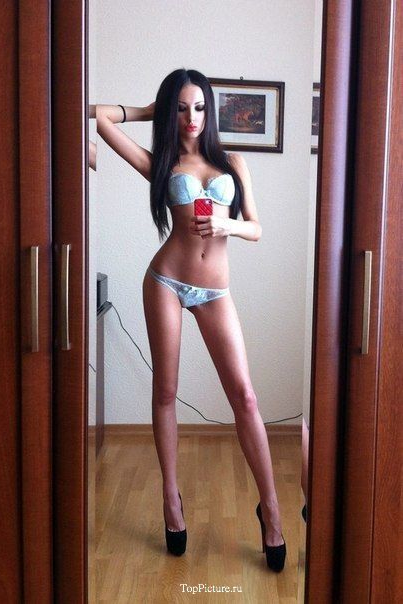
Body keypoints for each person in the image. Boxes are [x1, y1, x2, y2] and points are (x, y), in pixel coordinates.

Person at [96, 68, 286, 572]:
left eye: (198, 106)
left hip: (214, 290)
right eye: (180, 108)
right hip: (165, 281)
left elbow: (257, 228)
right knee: (166, 390)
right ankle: (170, 498)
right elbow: (100, 119)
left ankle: (270, 508)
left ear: (210, 109)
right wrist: (151, 111)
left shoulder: (233, 163)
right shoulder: (161, 164)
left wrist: (227, 224)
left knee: (245, 397)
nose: (191, 117)